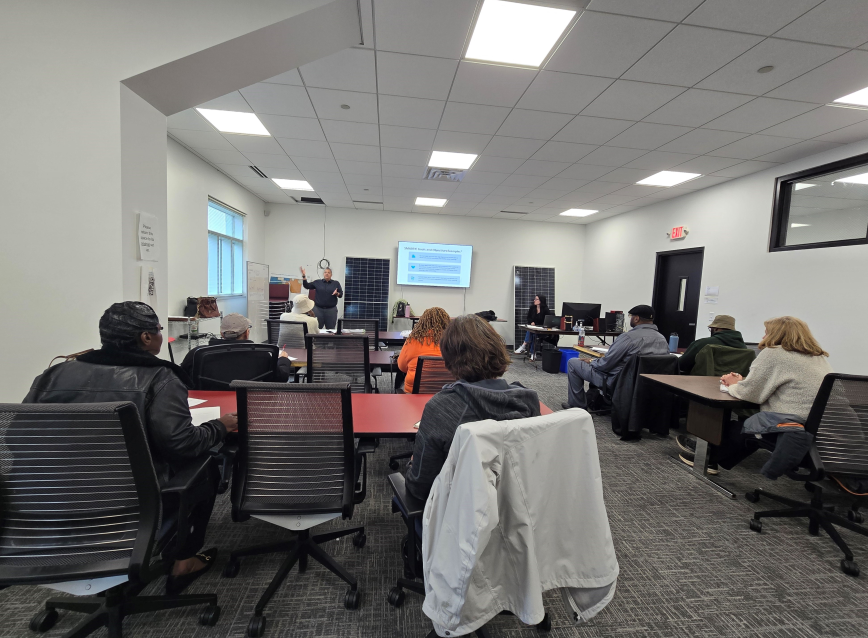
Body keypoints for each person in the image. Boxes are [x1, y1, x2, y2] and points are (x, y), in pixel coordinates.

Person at [23, 302, 237, 594]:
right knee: (204, 465)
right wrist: (221, 426)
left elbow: (17, 439)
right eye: (158, 330)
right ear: (146, 338)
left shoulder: (52, 375)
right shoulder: (160, 378)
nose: (161, 336)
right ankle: (183, 563)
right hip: (133, 507)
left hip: (51, 507)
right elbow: (182, 444)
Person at [405, 314, 540, 500]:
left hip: (458, 515)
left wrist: (412, 465)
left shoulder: (440, 408)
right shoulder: (528, 399)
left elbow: (420, 489)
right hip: (515, 508)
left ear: (448, 358)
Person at [680, 316, 832, 475]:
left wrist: (733, 384)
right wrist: (742, 381)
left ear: (777, 335)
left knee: (742, 428)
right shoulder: (818, 357)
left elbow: (751, 394)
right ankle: (715, 458)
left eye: (766, 333)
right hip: (825, 431)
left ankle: (707, 459)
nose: (763, 337)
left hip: (792, 429)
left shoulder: (775, 353)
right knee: (750, 426)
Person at [563, 304, 669, 410]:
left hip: (619, 382)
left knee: (573, 363)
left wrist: (591, 361)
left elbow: (605, 365)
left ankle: (577, 407)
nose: (630, 319)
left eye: (630, 316)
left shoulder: (628, 337)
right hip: (648, 385)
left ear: (636, 318)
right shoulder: (662, 339)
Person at [180, 313, 294, 382]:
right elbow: (281, 378)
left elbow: (182, 378)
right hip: (250, 407)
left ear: (221, 333)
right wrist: (283, 359)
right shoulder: (262, 355)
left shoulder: (198, 354)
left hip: (209, 410)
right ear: (247, 333)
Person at [397, 307, 451, 393]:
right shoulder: (452, 342)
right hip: (445, 394)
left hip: (414, 393)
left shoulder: (412, 340)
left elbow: (402, 367)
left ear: (422, 322)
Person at [678, 314, 747, 373]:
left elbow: (681, 364)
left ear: (716, 329)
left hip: (700, 383)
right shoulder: (744, 349)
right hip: (731, 385)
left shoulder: (702, 344)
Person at [514, 294, 551, 359]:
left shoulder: (545, 309)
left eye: (536, 299)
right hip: (533, 328)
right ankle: (533, 353)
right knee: (533, 333)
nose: (534, 300)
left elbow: (547, 320)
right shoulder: (532, 308)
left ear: (540, 301)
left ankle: (524, 346)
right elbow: (528, 317)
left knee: (533, 332)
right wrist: (531, 322)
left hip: (542, 329)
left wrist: (539, 325)